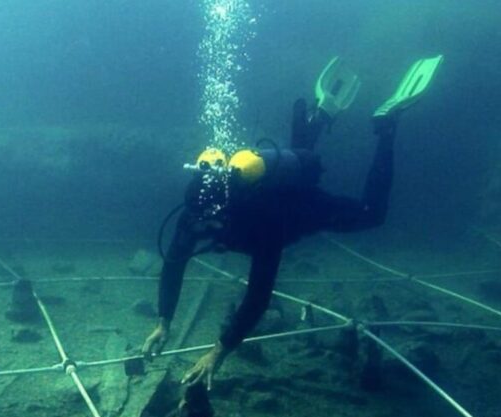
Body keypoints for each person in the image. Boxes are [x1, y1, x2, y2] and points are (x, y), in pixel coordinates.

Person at [142, 56, 443, 388]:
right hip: (278, 195)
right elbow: (173, 265)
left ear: (226, 212)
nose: (202, 228)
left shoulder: (261, 223)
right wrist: (163, 322)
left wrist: (219, 352)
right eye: (199, 221)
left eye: (210, 222)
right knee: (302, 166)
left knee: (372, 213)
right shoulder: (194, 210)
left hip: (300, 211)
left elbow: (258, 295)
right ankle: (318, 118)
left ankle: (386, 127)